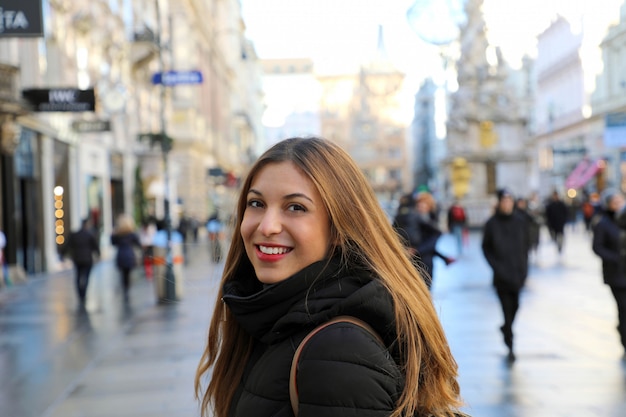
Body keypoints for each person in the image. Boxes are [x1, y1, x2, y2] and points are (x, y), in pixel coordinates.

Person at [195, 137, 464, 417]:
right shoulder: (269, 315)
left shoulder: (336, 352)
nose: (267, 226)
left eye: (296, 207)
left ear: (338, 229)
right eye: (256, 203)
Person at [482, 188, 529, 362]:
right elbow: (485, 247)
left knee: (516, 306)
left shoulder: (520, 221)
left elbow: (526, 246)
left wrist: (524, 269)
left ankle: (506, 328)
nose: (507, 204)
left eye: (510, 201)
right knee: (506, 309)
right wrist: (496, 266)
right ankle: (510, 342)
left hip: (518, 274)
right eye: (504, 201)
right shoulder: (492, 223)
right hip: (501, 276)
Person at [592, 189, 626, 357]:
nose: (619, 204)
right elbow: (597, 247)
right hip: (616, 274)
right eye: (616, 202)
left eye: (621, 201)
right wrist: (616, 258)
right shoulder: (603, 223)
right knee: (624, 307)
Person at [65, 219, 100, 304]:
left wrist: (63, 254)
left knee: (78, 276)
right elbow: (95, 246)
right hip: (87, 259)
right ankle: (83, 293)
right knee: (86, 277)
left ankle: (80, 293)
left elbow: (67, 245)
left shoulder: (75, 235)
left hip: (77, 259)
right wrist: (98, 254)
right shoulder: (89, 235)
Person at [111, 214, 142, 300]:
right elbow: (138, 244)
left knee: (123, 274)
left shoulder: (118, 235)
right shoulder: (131, 234)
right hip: (129, 255)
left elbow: (113, 243)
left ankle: (125, 289)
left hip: (121, 255)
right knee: (127, 274)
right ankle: (127, 289)